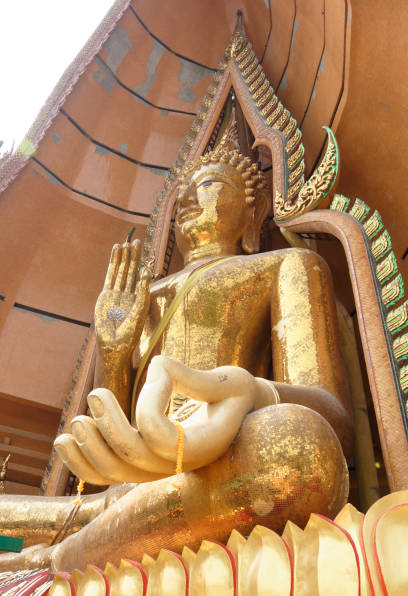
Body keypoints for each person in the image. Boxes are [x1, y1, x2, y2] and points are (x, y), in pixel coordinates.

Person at [0, 125, 352, 572]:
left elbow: (334, 418)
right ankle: (88, 541)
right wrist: (113, 351)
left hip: (222, 467)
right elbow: (106, 447)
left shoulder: (286, 265)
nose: (188, 199)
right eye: (182, 192)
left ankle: (53, 560)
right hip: (126, 496)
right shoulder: (144, 298)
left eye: (207, 186)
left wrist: (247, 392)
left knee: (301, 448)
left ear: (252, 212)